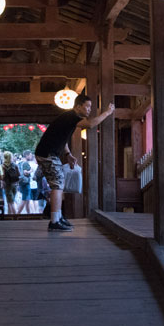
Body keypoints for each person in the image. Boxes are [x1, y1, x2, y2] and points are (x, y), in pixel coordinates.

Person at [35, 94, 114, 232]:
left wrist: (68, 154)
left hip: (48, 153)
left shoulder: (69, 118)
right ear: (78, 106)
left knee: (59, 183)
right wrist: (107, 112)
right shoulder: (72, 116)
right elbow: (90, 124)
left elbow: (63, 138)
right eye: (87, 106)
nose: (89, 110)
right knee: (58, 184)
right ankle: (54, 221)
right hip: (47, 154)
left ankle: (58, 217)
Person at [1, 151, 20, 217]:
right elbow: (19, 174)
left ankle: (15, 217)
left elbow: (2, 176)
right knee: (10, 201)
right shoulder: (15, 165)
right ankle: (9, 216)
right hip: (15, 184)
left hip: (7, 185)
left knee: (11, 202)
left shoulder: (3, 166)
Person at [16, 150, 34, 215]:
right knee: (24, 199)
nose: (31, 156)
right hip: (26, 183)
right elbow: (25, 172)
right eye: (30, 155)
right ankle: (17, 214)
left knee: (27, 200)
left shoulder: (20, 163)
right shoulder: (25, 163)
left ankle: (29, 214)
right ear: (27, 155)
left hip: (21, 182)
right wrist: (31, 171)